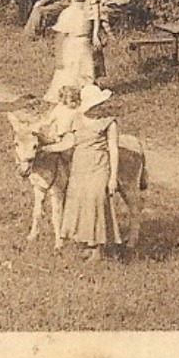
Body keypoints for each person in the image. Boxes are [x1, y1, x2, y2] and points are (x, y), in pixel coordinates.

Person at [56, 83, 124, 261]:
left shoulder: (109, 122)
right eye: (94, 105)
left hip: (99, 166)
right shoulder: (76, 120)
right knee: (80, 202)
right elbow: (69, 143)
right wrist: (48, 148)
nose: (97, 108)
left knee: (97, 201)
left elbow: (114, 149)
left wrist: (113, 177)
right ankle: (88, 242)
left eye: (99, 104)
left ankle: (99, 248)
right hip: (80, 167)